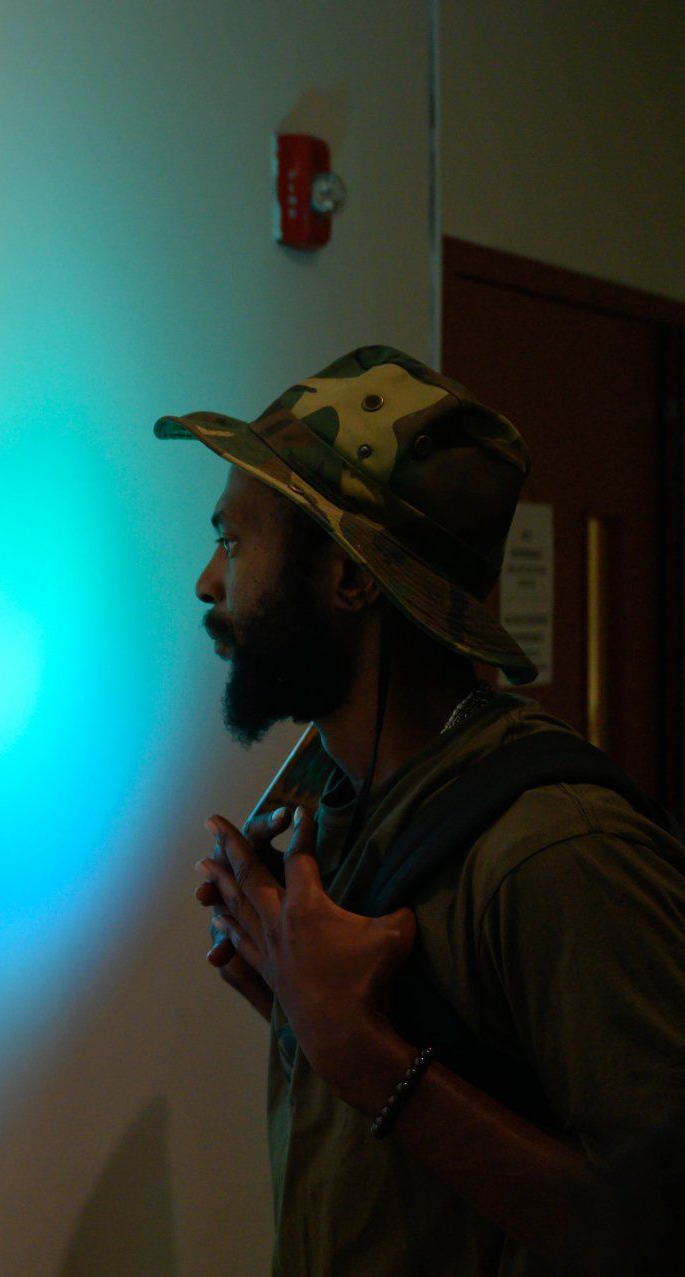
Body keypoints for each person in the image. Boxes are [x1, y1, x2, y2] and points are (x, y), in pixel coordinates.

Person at [156, 346, 685, 1275]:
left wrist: (362, 1053)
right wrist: (293, 998)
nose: (208, 580)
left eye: (235, 542)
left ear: (351, 578)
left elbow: (659, 1225)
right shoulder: (344, 809)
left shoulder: (559, 848)